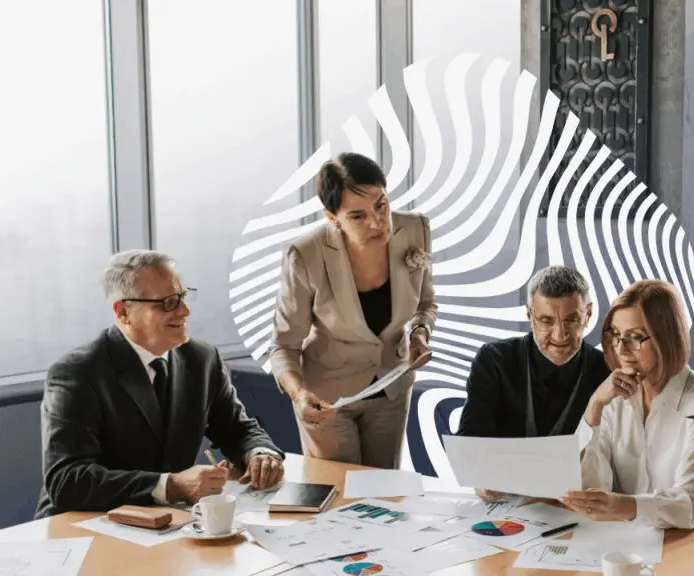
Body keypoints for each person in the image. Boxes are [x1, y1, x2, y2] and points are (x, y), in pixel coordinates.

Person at [36, 250, 283, 519]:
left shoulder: (201, 358)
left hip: (166, 522)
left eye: (182, 297)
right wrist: (170, 486)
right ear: (123, 312)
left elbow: (237, 429)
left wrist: (259, 452)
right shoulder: (77, 372)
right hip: (82, 525)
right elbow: (67, 480)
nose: (184, 311)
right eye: (167, 303)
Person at [270, 152, 436, 469]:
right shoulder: (305, 254)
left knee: (385, 498)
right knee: (337, 496)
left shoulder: (416, 230)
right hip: (328, 399)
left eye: (381, 204)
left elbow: (425, 303)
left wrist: (419, 334)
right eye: (357, 216)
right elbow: (283, 345)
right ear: (333, 218)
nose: (376, 221)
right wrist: (299, 395)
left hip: (391, 388)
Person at [561, 280, 694, 529]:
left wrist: (620, 506)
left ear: (668, 338)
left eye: (635, 337)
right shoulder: (614, 397)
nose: (621, 349)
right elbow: (589, 488)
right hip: (639, 534)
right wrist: (594, 406)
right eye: (616, 335)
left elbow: (690, 503)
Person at [457, 266, 611, 502]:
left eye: (571, 320)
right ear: (530, 316)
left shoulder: (606, 371)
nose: (560, 336)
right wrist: (479, 478)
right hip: (505, 502)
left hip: (576, 506)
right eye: (546, 321)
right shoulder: (493, 360)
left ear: (588, 314)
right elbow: (471, 440)